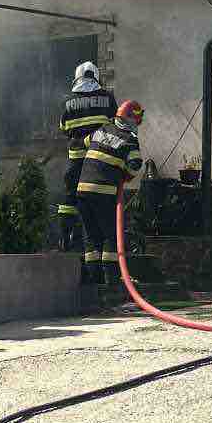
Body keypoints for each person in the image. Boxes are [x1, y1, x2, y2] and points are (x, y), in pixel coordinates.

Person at [76, 99, 144, 285]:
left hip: (82, 189)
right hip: (103, 191)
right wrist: (125, 176)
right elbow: (136, 164)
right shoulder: (130, 140)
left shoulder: (102, 129)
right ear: (132, 120)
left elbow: (84, 143)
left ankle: (93, 280)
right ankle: (111, 279)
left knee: (91, 236)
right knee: (111, 235)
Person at [59, 62, 117, 267]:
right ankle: (108, 267)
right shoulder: (107, 98)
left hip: (76, 161)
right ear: (96, 77)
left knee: (70, 199)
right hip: (100, 162)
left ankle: (65, 235)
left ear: (77, 78)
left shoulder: (68, 102)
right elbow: (115, 127)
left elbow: (64, 128)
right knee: (103, 214)